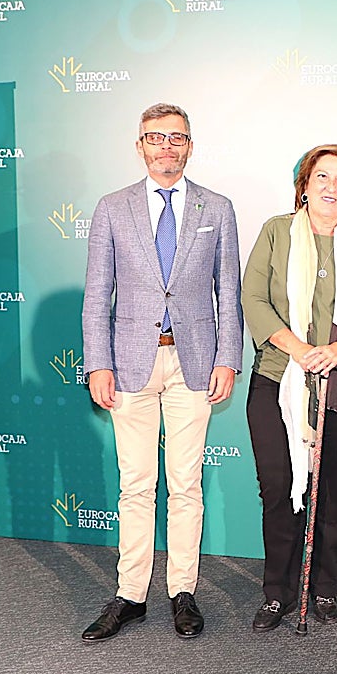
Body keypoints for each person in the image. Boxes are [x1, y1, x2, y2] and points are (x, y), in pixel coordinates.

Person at [80, 103, 243, 642]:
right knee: (135, 485)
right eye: (155, 138)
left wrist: (227, 357)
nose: (166, 147)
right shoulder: (111, 207)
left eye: (176, 138)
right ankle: (130, 596)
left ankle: (182, 592)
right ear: (140, 146)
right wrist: (97, 364)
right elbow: (96, 295)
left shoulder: (217, 208)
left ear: (190, 145)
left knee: (186, 485)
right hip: (128, 363)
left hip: (194, 362)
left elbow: (229, 293)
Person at [241, 143, 337, 631]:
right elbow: (254, 298)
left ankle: (325, 587)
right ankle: (277, 593)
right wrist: (299, 349)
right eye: (322, 176)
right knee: (280, 489)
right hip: (279, 378)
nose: (332, 186)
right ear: (304, 185)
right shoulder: (275, 232)